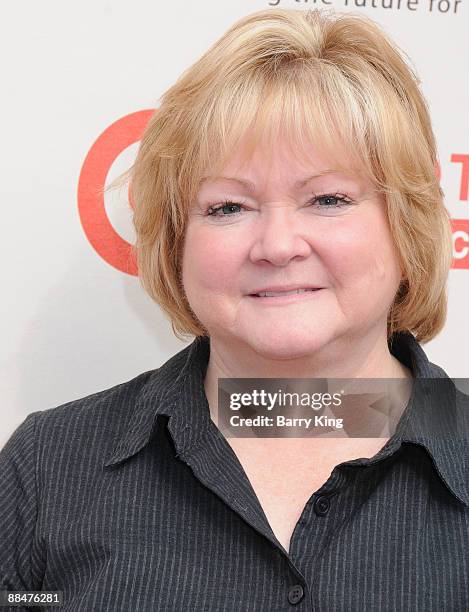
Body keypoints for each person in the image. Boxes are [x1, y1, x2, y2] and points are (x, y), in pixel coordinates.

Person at [1, 7, 467, 611]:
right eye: (228, 207)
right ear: (176, 242)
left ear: (406, 226)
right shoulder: (47, 469)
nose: (276, 245)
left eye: (327, 198)